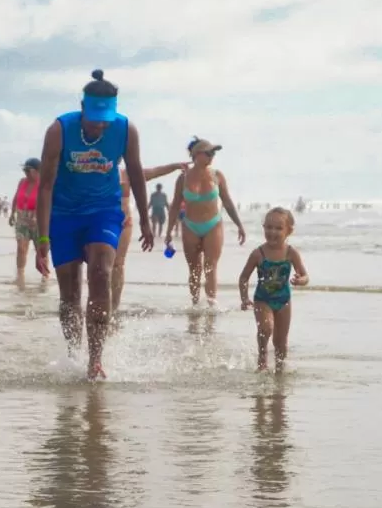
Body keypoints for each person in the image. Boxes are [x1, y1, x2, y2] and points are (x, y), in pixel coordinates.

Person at [35, 69, 154, 380]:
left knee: (101, 272)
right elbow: (45, 185)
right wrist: (42, 239)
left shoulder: (126, 130)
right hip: (64, 214)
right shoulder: (59, 130)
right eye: (95, 116)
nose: (100, 123)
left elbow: (137, 175)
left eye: (106, 117)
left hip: (103, 210)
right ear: (82, 106)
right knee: (70, 294)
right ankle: (75, 353)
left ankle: (95, 359)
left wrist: (145, 220)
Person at [165, 138, 246, 307]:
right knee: (194, 269)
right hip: (190, 225)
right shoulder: (183, 178)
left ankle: (211, 305)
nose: (212, 156)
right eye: (208, 153)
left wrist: (239, 225)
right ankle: (195, 304)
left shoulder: (217, 176)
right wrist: (169, 232)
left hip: (213, 224)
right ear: (196, 154)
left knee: (211, 267)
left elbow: (228, 202)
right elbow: (174, 207)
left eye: (214, 153)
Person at [238, 207, 309, 372]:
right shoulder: (258, 253)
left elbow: (305, 276)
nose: (273, 232)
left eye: (278, 228)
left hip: (284, 301)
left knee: (281, 341)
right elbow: (243, 277)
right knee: (266, 328)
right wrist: (244, 298)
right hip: (263, 300)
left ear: (288, 231)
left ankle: (280, 369)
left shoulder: (291, 253)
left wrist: (301, 280)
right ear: (263, 228)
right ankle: (262, 359)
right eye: (269, 227)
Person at [112, 161, 188, 313]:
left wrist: (174, 166)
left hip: (123, 223)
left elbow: (154, 171)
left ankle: (113, 306)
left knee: (118, 265)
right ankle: (99, 300)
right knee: (99, 266)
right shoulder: (91, 173)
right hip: (98, 222)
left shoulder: (126, 174)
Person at [8, 158, 41, 283]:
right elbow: (16, 198)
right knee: (21, 248)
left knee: (40, 250)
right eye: (25, 170)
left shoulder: (43, 183)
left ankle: (44, 276)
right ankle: (20, 274)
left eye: (28, 170)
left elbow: (48, 202)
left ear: (37, 171)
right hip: (22, 218)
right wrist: (12, 214)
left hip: (37, 220)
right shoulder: (22, 182)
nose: (26, 173)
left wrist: (38, 217)